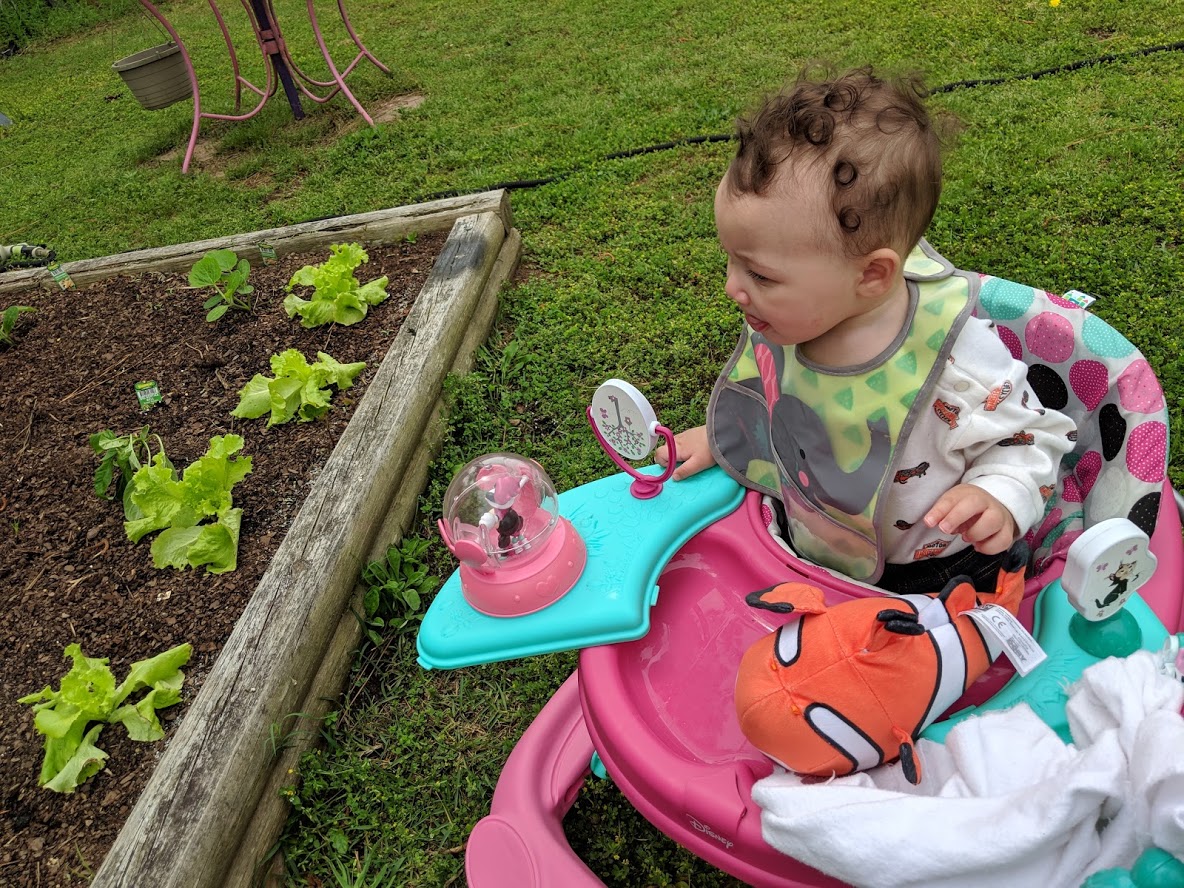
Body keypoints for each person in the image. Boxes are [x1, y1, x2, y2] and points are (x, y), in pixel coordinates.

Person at [655, 67, 1076, 593]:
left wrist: (998, 495)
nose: (732, 288)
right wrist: (730, 438)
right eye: (732, 261)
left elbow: (1033, 434)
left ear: (872, 275)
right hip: (812, 535)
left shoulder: (951, 361)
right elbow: (783, 402)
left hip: (934, 570)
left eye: (759, 274)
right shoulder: (789, 318)